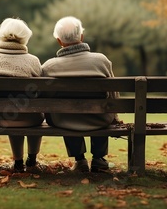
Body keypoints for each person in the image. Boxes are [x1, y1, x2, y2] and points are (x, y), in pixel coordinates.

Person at [41, 16, 118, 173]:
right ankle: (99, 159)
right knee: (102, 107)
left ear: (59, 41)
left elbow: (44, 97)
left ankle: (80, 160)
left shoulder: (49, 66)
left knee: (65, 111)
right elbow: (113, 94)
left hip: (64, 120)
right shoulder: (101, 61)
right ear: (81, 37)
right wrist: (115, 116)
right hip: (99, 119)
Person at [0, 18, 43, 173]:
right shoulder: (33, 61)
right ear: (25, 37)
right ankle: (32, 160)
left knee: (13, 110)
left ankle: (18, 162)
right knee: (29, 110)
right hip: (29, 118)